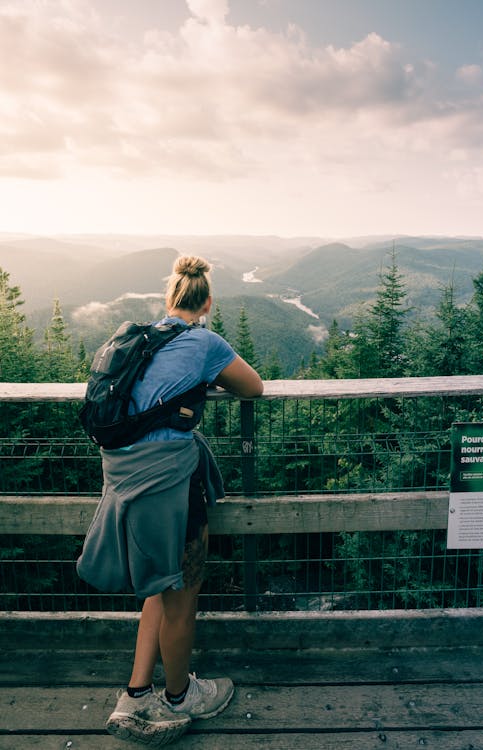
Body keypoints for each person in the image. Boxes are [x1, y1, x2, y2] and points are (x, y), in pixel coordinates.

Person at [77, 256, 263, 746]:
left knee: (158, 584)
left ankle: (137, 692)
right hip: (170, 483)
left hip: (122, 476)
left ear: (169, 299)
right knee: (181, 592)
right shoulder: (204, 341)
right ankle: (181, 696)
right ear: (206, 303)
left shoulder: (137, 339)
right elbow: (254, 387)